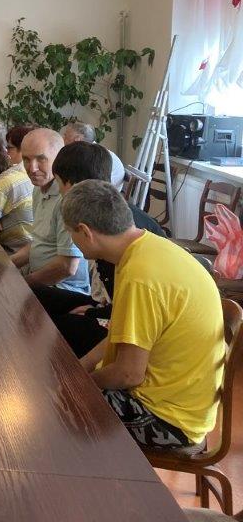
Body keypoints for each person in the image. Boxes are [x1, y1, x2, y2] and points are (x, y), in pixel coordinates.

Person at [65, 181, 223, 449]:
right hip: (183, 403)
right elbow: (122, 334)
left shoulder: (139, 276)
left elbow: (128, 374)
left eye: (70, 232)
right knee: (66, 387)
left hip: (168, 419)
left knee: (58, 410)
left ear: (85, 232)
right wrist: (80, 369)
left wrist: (81, 385)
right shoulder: (146, 247)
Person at [44, 142, 167, 356]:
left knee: (57, 328)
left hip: (138, 327)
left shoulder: (110, 232)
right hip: (112, 306)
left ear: (71, 184)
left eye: (58, 183)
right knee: (42, 299)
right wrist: (96, 310)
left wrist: (94, 314)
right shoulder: (113, 210)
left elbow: (132, 312)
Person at [10, 129, 91, 298]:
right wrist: (6, 266)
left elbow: (67, 267)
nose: (32, 168)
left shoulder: (67, 199)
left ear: (59, 159)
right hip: (40, 280)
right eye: (26, 159)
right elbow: (40, 242)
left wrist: (22, 284)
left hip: (63, 289)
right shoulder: (39, 189)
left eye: (41, 159)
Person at [61, 121, 126, 187]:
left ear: (77, 139)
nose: (63, 139)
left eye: (66, 136)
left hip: (105, 190)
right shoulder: (89, 151)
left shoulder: (92, 155)